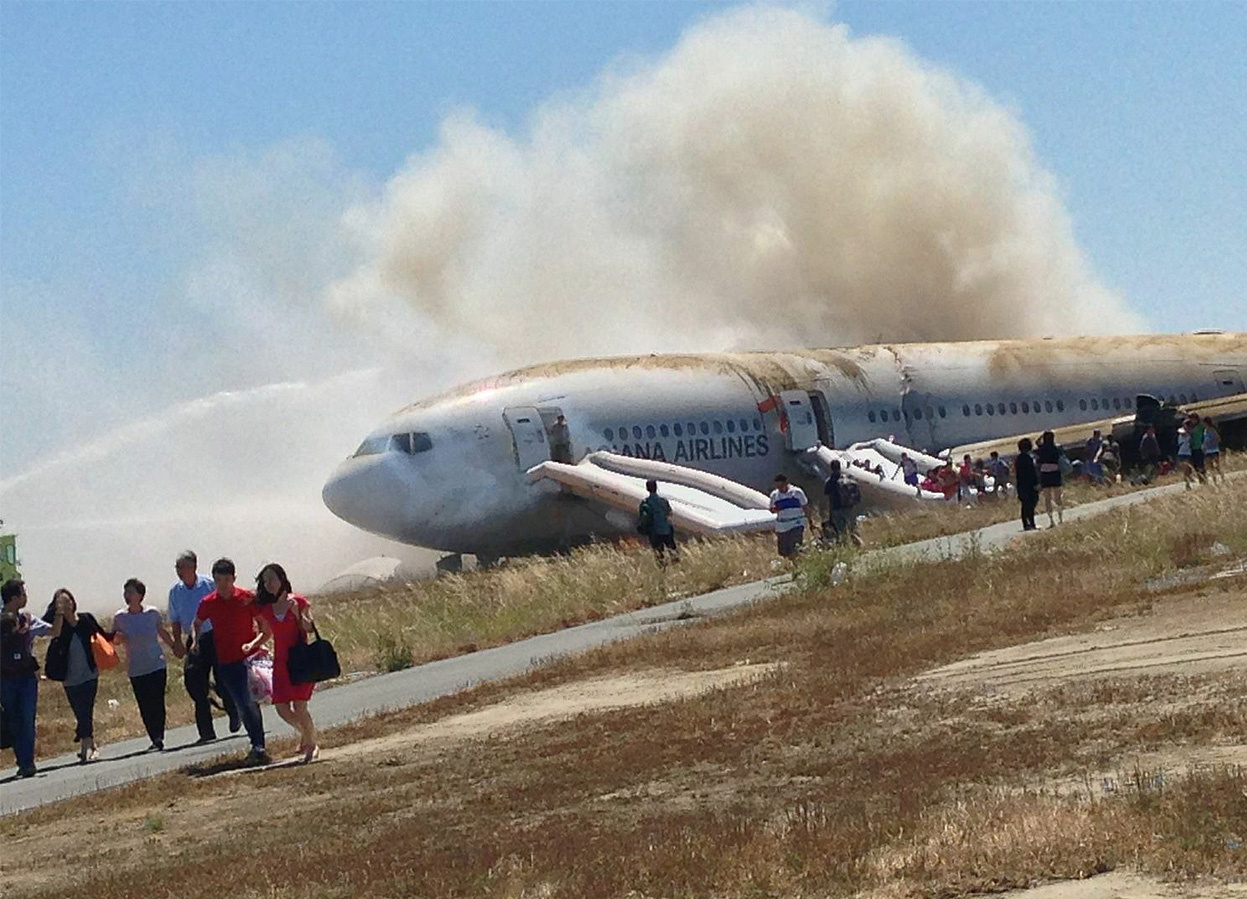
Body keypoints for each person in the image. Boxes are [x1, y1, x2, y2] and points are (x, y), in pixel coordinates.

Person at [193, 558, 273, 765]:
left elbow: (265, 627)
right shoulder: (208, 602)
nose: (223, 585)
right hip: (226, 661)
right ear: (214, 580)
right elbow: (198, 621)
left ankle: (258, 745)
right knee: (241, 703)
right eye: (219, 580)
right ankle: (256, 743)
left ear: (234, 578)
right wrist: (195, 640)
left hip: (249, 660)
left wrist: (254, 644)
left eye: (227, 580)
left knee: (249, 701)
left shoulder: (246, 598)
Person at [168, 550, 238, 744]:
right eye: (178, 568)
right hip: (194, 640)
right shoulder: (175, 592)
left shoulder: (208, 585)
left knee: (223, 679)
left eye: (184, 567)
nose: (180, 571)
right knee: (195, 684)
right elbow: (174, 619)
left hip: (215, 636)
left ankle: (233, 711)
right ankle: (206, 732)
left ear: (194, 567)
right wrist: (177, 642)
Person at [253, 563, 319, 763]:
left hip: (300, 660)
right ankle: (307, 734)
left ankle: (311, 744)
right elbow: (267, 633)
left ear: (282, 579)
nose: (269, 584)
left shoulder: (297, 601)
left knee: (300, 706)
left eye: (272, 579)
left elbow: (309, 628)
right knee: (281, 707)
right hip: (280, 663)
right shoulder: (266, 609)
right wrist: (252, 645)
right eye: (265, 581)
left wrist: (298, 613)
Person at [111, 578, 178, 751]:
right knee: (145, 704)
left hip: (156, 664)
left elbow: (162, 632)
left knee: (157, 701)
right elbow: (114, 639)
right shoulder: (120, 617)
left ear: (140, 595)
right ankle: (153, 736)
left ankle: (159, 736)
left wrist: (175, 646)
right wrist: (118, 638)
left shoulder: (152, 613)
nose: (127, 596)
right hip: (136, 668)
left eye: (131, 592)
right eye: (125, 592)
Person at [43, 588, 108, 763]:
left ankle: (85, 747)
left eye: (69, 600)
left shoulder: (85, 619)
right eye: (63, 602)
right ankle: (90, 743)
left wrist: (119, 636)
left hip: (89, 673)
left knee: (86, 709)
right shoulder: (59, 625)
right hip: (69, 677)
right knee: (80, 712)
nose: (67, 604)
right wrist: (58, 612)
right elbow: (46, 626)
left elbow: (103, 634)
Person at [1, 579, 51, 777]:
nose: (26, 597)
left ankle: (27, 762)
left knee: (23, 719)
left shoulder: (27, 619)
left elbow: (52, 630)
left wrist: (58, 612)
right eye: (23, 594)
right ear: (14, 598)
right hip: (6, 678)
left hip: (24, 677)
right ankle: (23, 760)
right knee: (15, 719)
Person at [769, 474, 811, 559]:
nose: (780, 488)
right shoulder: (774, 495)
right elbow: (772, 509)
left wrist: (810, 521)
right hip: (783, 524)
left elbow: (805, 506)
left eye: (781, 486)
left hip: (796, 522)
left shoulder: (797, 492)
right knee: (783, 549)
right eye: (777, 487)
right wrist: (776, 508)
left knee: (795, 545)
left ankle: (797, 562)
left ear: (786, 483)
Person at [637, 480, 679, 564]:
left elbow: (643, 518)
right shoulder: (663, 501)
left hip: (655, 532)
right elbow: (669, 513)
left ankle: (663, 571)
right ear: (656, 488)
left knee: (659, 556)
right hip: (667, 530)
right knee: (673, 554)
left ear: (647, 489)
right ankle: (677, 570)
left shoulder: (645, 503)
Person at [823, 460, 863, 546]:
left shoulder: (829, 482)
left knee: (841, 531)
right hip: (849, 507)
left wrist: (829, 513)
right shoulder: (847, 479)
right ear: (840, 467)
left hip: (836, 509)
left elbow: (828, 496)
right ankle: (859, 545)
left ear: (831, 468)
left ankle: (845, 547)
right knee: (853, 529)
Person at [1035, 431, 1064, 527]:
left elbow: (1037, 442)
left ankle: (1051, 520)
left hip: (1045, 473)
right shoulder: (1056, 448)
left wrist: (1041, 436)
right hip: (1055, 472)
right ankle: (1060, 518)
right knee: (1058, 496)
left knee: (1048, 498)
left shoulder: (1042, 449)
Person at [1014, 438, 1040, 532]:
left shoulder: (1018, 458)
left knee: (1025, 505)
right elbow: (1032, 472)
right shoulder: (1028, 458)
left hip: (1021, 485)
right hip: (1030, 485)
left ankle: (1026, 524)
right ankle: (1031, 523)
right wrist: (1036, 483)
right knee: (1031, 504)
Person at [1202, 417, 1224, 484]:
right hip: (1207, 450)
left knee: (1216, 465)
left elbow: (1218, 439)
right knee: (1210, 466)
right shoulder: (1205, 431)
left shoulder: (1212, 430)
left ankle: (1222, 477)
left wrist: (1212, 442)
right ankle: (1214, 480)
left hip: (1214, 450)